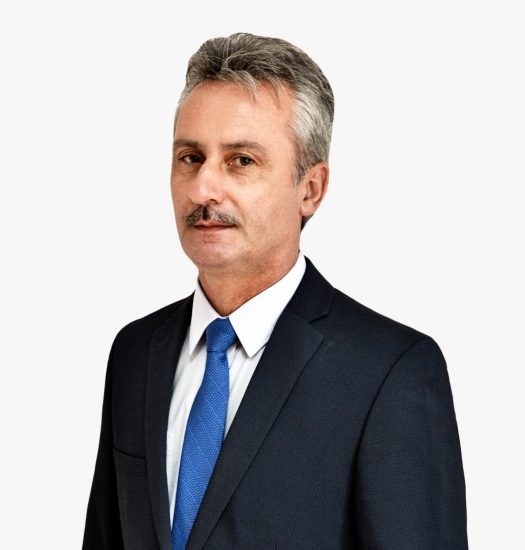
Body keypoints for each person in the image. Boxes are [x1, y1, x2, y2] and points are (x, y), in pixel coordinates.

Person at [82, 33, 468, 549]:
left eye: (241, 160)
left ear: (310, 188)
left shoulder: (391, 372)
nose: (203, 189)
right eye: (190, 157)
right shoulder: (135, 352)